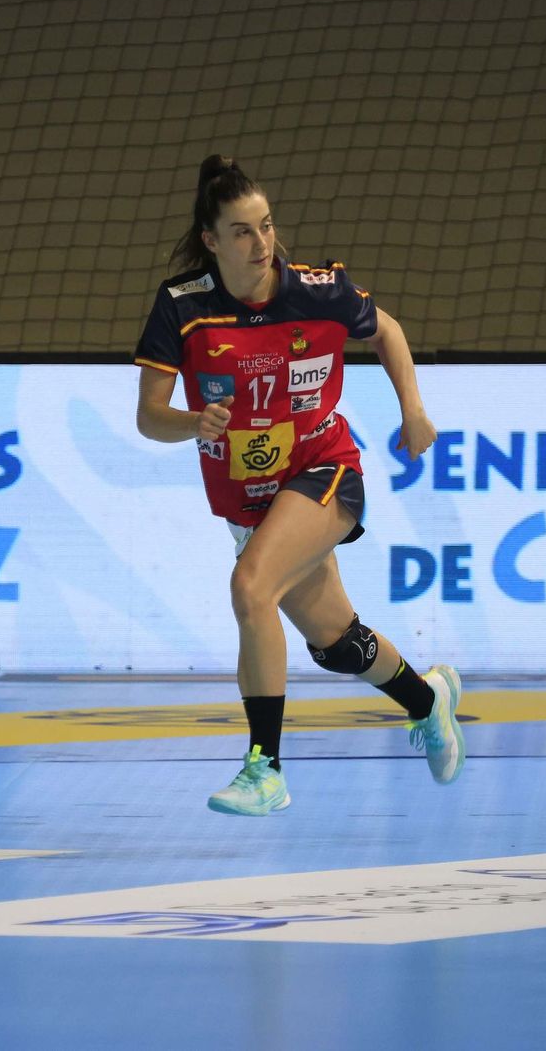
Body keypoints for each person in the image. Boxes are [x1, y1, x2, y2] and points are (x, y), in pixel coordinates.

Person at [134, 154, 465, 816]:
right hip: (248, 503)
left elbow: (388, 330)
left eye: (266, 226)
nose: (261, 244)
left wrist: (414, 410)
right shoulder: (185, 309)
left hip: (325, 472)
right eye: (242, 232)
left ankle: (266, 768)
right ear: (211, 240)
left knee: (250, 586)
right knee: (337, 643)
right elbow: (149, 417)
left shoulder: (316, 290)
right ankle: (429, 700)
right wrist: (194, 420)